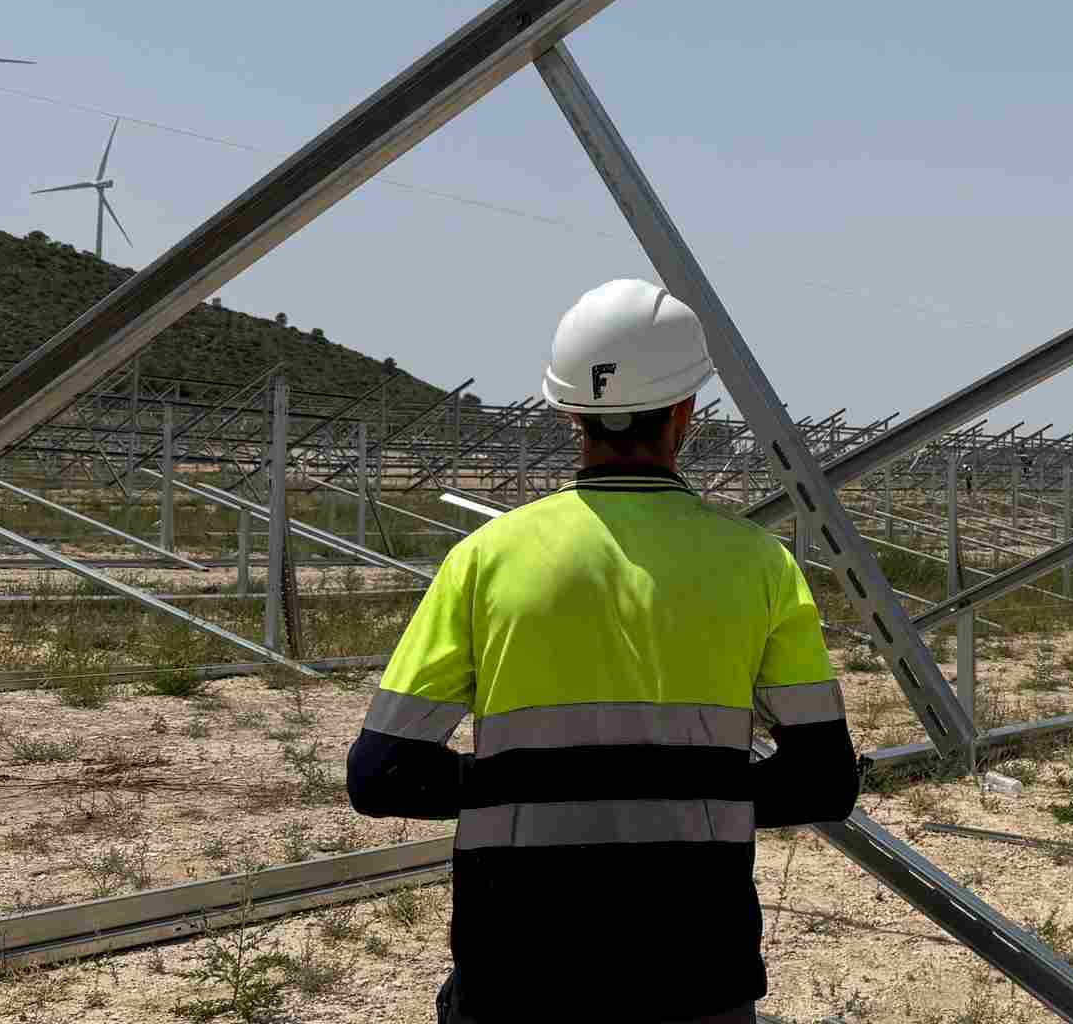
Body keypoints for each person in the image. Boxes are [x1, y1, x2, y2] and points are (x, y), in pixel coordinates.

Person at [345, 279, 856, 1024]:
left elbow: (380, 775)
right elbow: (822, 781)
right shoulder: (762, 565)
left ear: (570, 412)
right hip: (695, 965)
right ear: (685, 412)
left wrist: (527, 786)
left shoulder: (484, 560)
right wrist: (687, 788)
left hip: (517, 964)